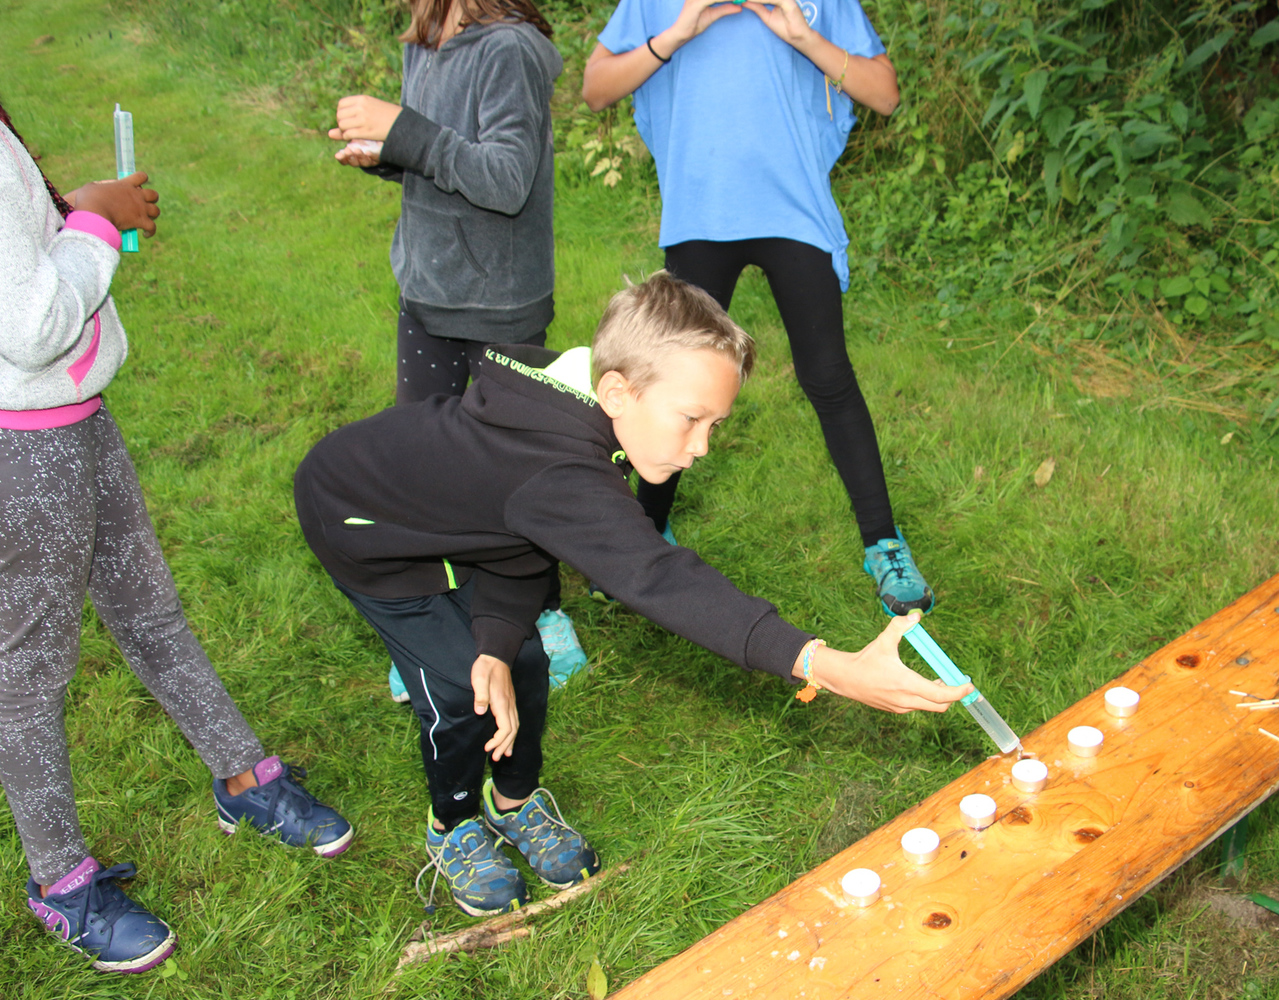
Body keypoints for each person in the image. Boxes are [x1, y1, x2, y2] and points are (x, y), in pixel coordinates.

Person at [294, 273, 969, 916]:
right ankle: (453, 822)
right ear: (618, 392)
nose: (702, 447)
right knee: (454, 687)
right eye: (691, 419)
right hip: (368, 533)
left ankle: (514, 799)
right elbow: (657, 577)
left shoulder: (575, 410)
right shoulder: (556, 466)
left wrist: (498, 640)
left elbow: (521, 534)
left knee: (520, 660)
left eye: (715, 425)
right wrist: (824, 664)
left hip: (471, 527)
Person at [0, 103, 352, 974]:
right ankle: (60, 882)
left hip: (74, 415)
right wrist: (92, 221)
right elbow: (30, 325)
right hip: (22, 445)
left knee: (150, 609)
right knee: (30, 672)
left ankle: (241, 775)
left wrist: (76, 210)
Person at [579, 0, 935, 618]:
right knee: (673, 381)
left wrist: (803, 35)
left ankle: (883, 543)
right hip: (700, 210)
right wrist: (678, 32)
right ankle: (642, 534)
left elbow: (884, 94)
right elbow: (595, 89)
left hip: (796, 211)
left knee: (827, 375)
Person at [326, 0, 587, 696]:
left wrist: (403, 131)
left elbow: (505, 180)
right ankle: (437, 623)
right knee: (420, 470)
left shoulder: (509, 50)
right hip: (427, 290)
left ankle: (543, 615)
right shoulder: (424, 41)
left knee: (514, 470)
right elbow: (439, 156)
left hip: (501, 301)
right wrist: (386, 152)